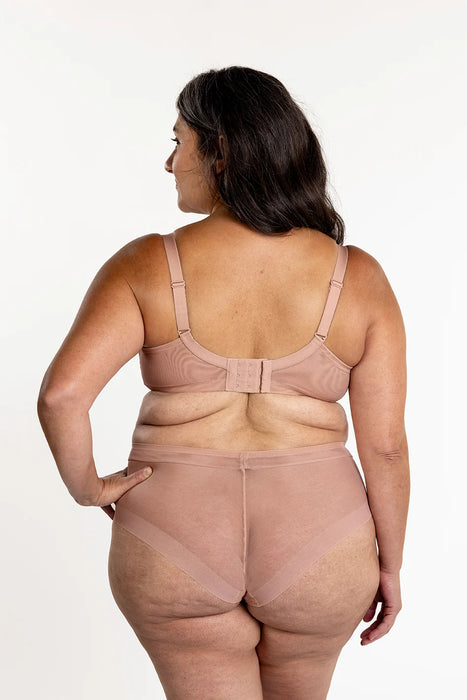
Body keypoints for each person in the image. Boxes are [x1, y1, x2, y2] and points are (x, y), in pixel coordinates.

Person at [37, 66, 410, 700]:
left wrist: (88, 488)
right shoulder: (360, 277)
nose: (169, 162)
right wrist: (391, 565)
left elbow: (61, 396)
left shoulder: (146, 263)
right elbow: (387, 448)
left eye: (178, 141)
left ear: (221, 151)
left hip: (173, 537)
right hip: (321, 540)